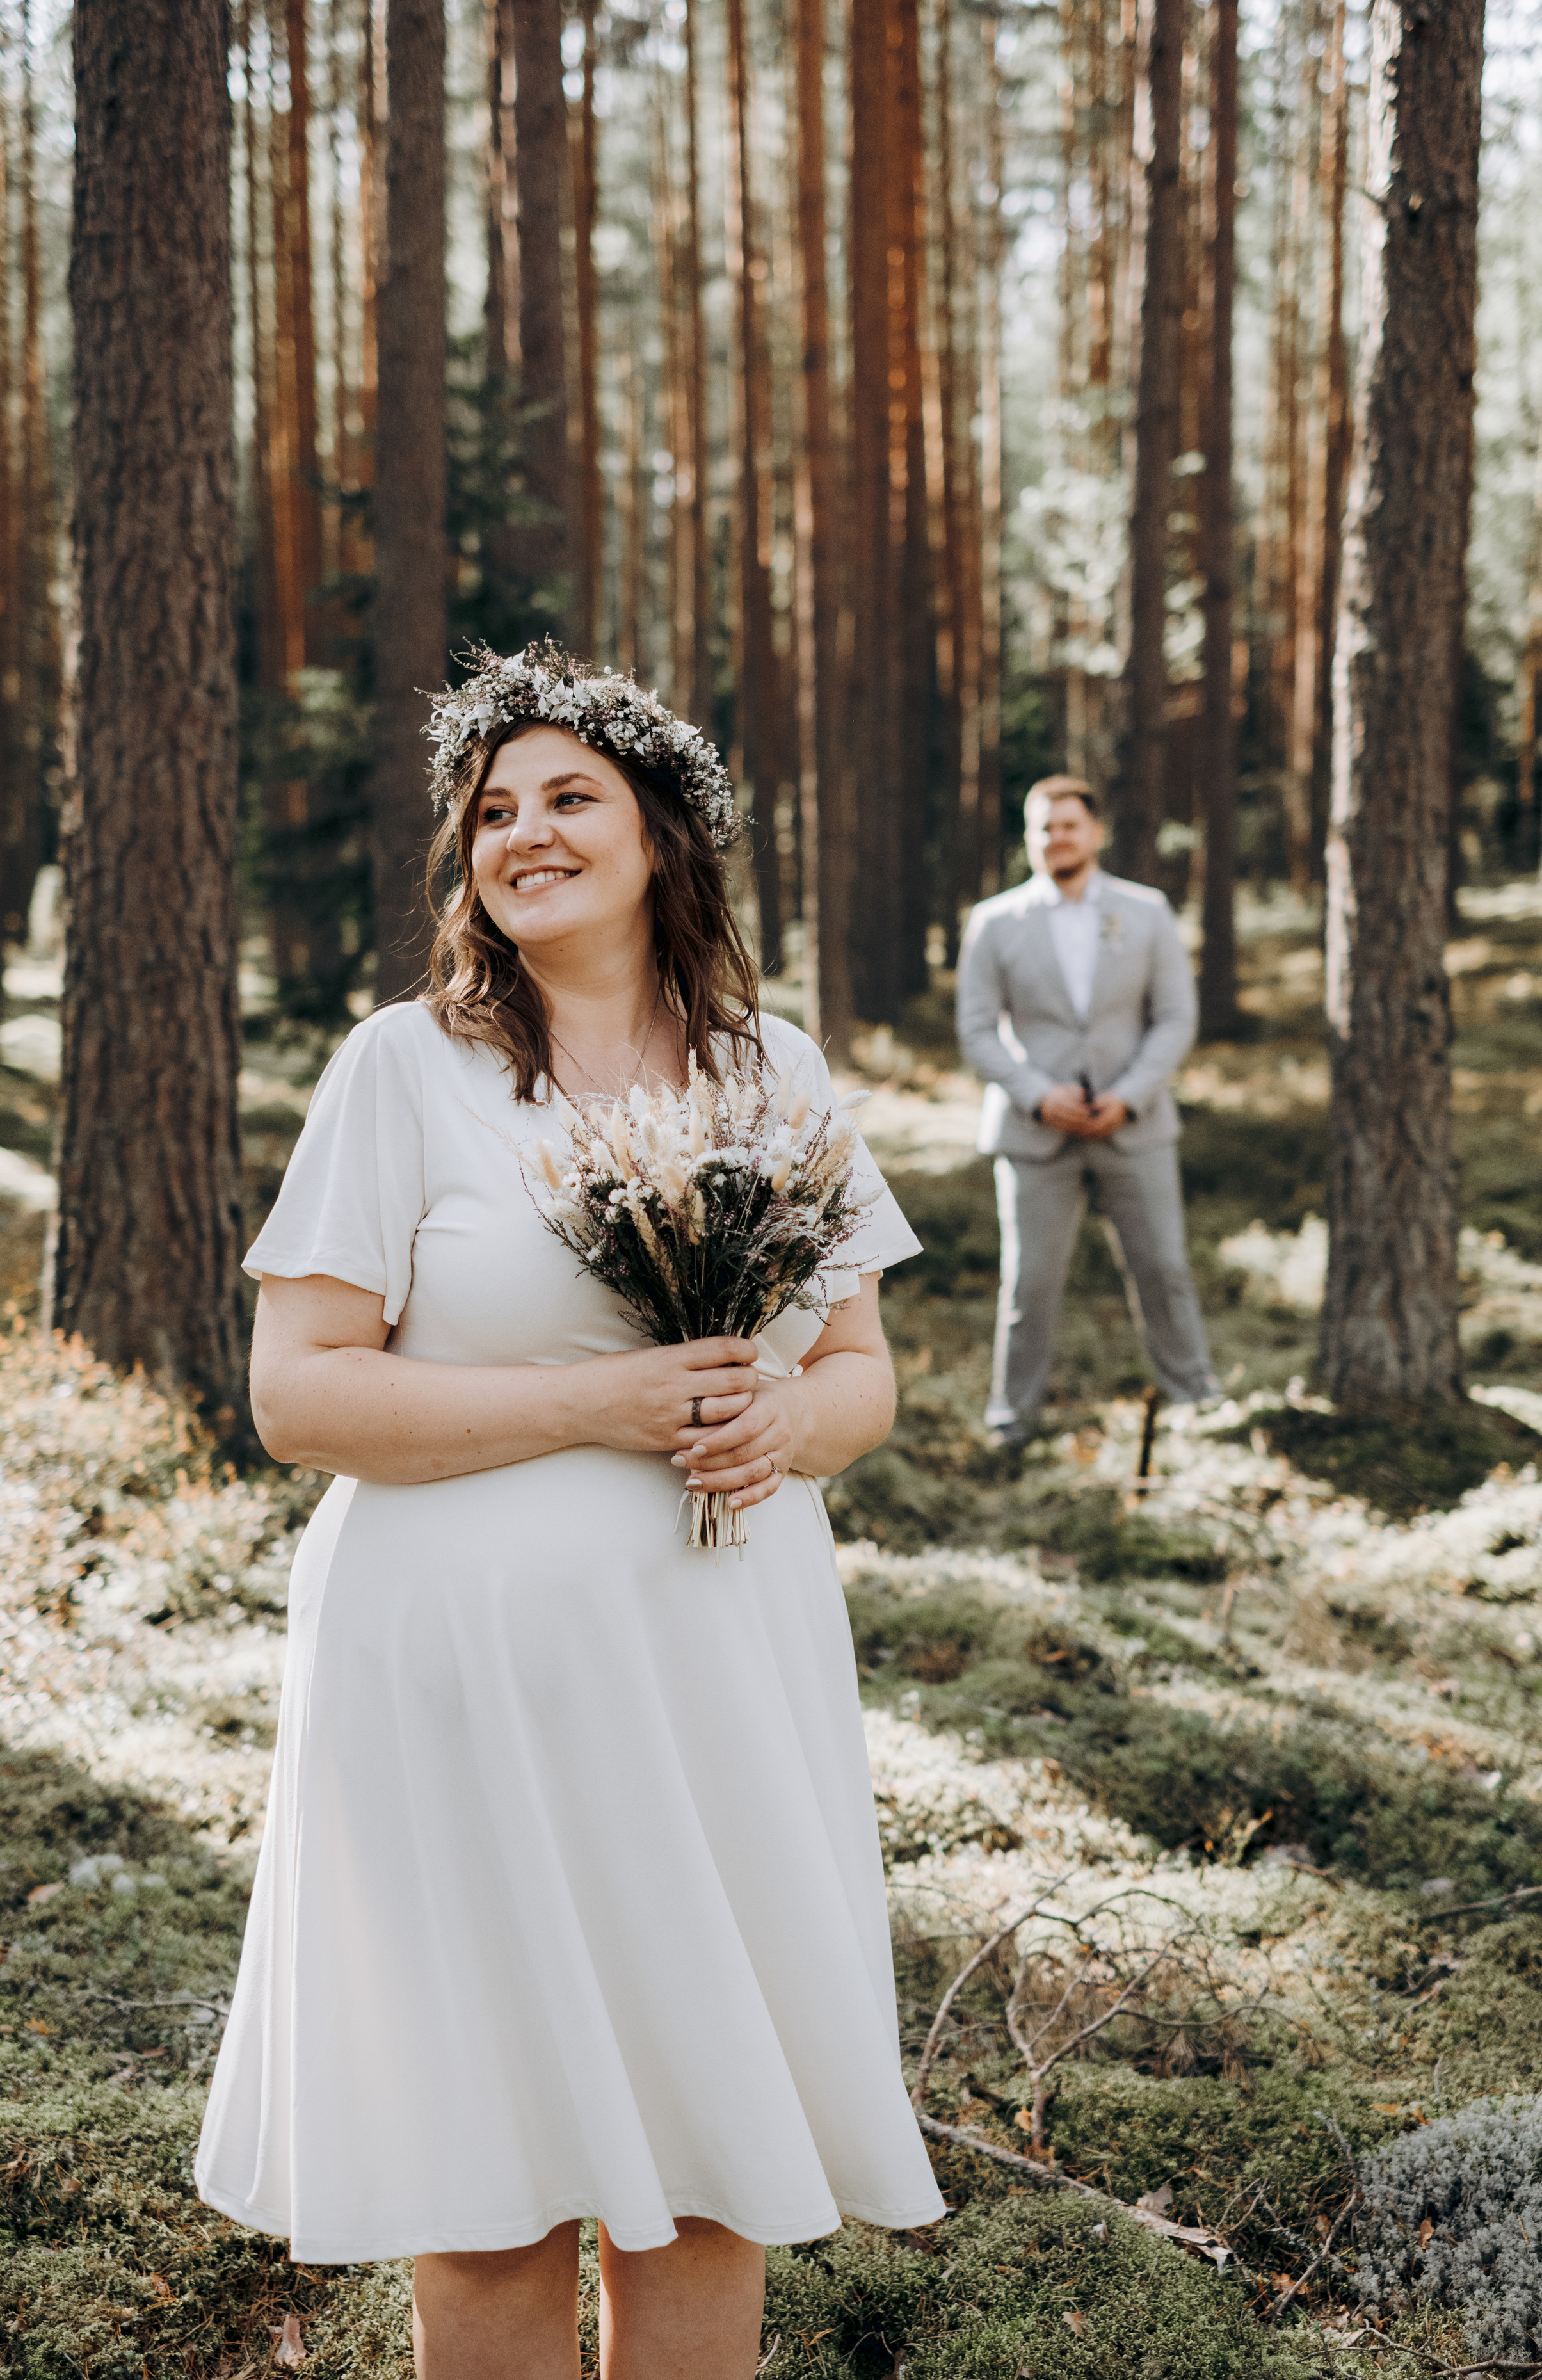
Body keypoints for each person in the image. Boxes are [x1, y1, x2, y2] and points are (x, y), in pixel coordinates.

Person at [194, 641, 944, 2380]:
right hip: (454, 1695)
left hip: (713, 1680)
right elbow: (298, 1392)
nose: (523, 832)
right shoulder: (406, 1071)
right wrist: (592, 1405)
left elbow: (861, 1374)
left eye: (569, 798)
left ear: (666, 832)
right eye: (491, 812)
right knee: (487, 2196)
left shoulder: (775, 1074)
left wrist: (786, 1425)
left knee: (704, 2190)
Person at [954, 773, 1218, 1446]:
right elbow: (977, 1029)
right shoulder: (993, 921)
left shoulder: (1148, 912)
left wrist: (1129, 1097)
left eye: (1068, 825)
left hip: (1135, 1125)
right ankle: (1011, 1420)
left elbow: (1175, 1018)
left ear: (1095, 833)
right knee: (1029, 1284)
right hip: (1034, 1131)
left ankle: (1195, 1400)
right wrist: (1038, 1095)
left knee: (1164, 1268)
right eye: (1043, 827)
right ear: (1028, 837)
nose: (1056, 838)